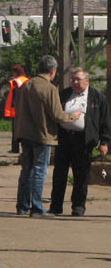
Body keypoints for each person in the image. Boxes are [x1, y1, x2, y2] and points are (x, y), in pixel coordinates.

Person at [13, 54, 80, 216]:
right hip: (43, 135)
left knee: (26, 170)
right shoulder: (49, 88)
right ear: (52, 70)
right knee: (39, 171)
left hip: (24, 134)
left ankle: (22, 206)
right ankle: (36, 207)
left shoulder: (25, 85)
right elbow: (58, 115)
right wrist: (73, 116)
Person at [49, 67, 111, 216]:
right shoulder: (64, 94)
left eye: (78, 79)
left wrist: (104, 142)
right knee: (59, 174)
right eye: (72, 79)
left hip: (84, 141)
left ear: (87, 80)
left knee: (81, 175)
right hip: (64, 139)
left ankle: (78, 206)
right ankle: (55, 206)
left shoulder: (97, 97)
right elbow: (55, 113)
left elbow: (105, 121)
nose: (75, 82)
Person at [4, 64, 29, 154]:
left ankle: (15, 148)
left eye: (13, 72)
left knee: (15, 130)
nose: (12, 74)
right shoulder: (27, 80)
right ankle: (24, 148)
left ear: (16, 72)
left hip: (16, 110)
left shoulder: (15, 82)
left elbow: (15, 96)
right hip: (25, 109)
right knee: (24, 129)